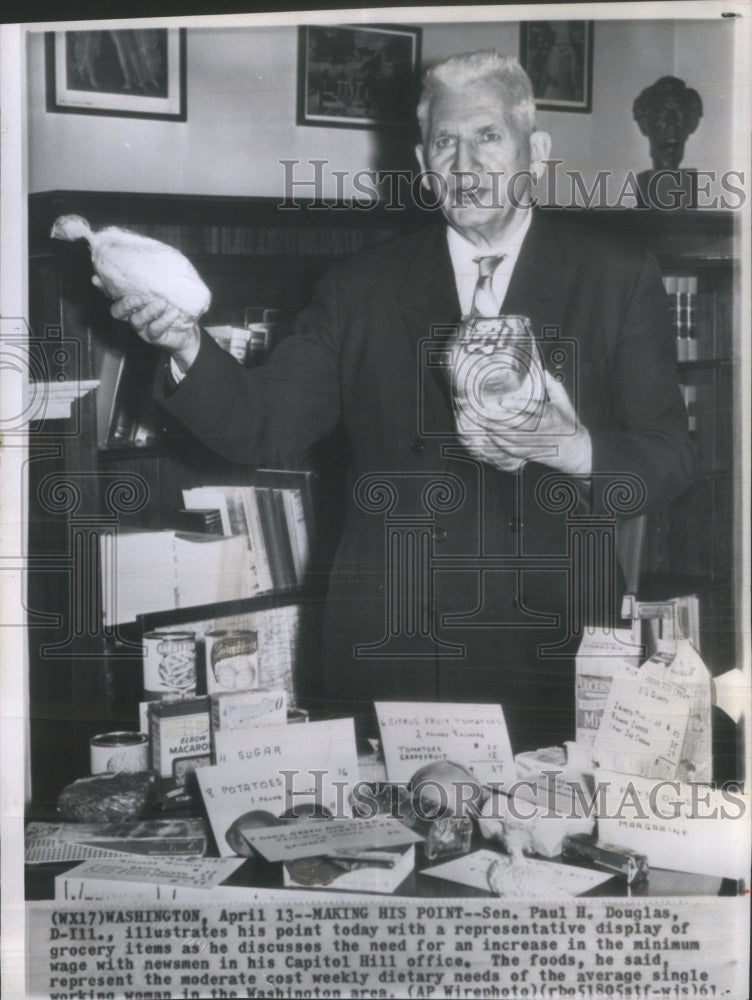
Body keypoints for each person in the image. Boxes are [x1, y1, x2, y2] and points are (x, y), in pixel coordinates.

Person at [109, 51, 695, 751]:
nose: (465, 162)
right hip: (388, 647)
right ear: (423, 164)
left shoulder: (615, 276)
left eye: (487, 137)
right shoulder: (360, 286)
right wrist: (183, 345)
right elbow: (265, 427)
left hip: (553, 648)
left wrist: (565, 445)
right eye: (446, 142)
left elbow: (669, 460)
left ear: (535, 151)